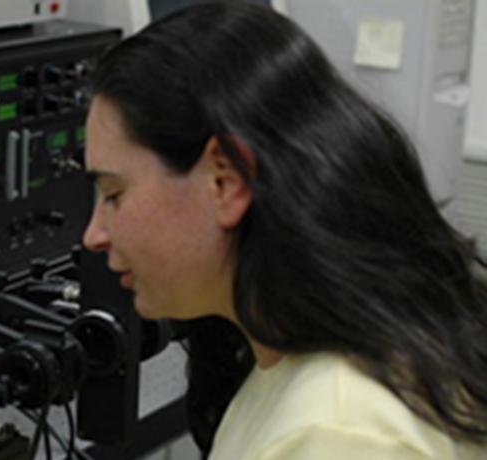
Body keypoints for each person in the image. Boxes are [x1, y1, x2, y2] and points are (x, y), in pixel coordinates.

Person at [81, 2, 487, 459]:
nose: (94, 235)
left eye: (114, 194)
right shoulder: (304, 352)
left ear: (225, 181)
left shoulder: (339, 432)